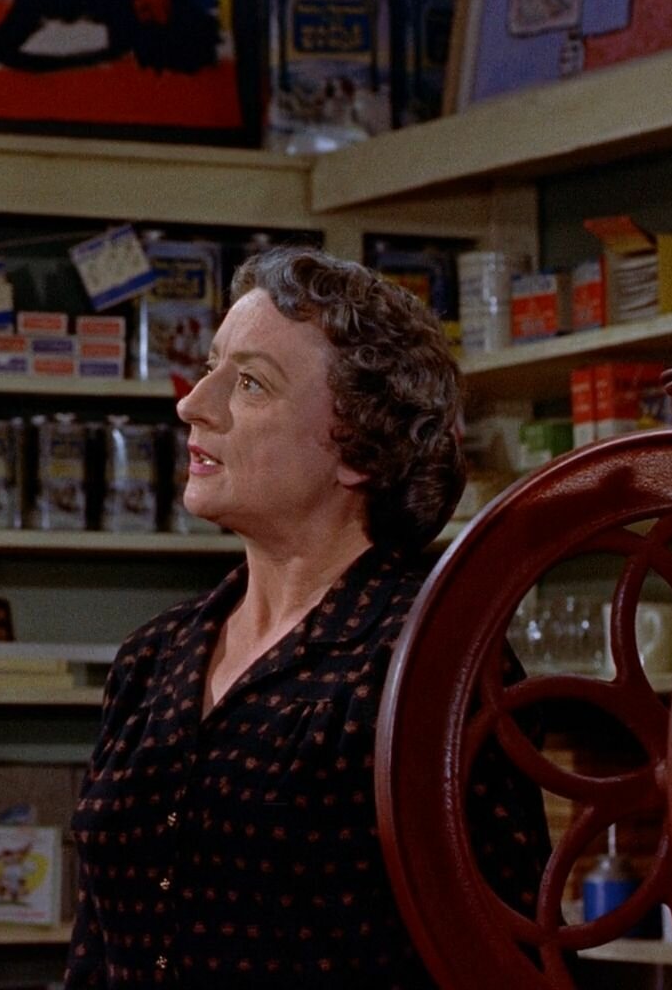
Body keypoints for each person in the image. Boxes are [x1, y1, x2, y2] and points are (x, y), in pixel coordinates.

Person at [66, 248, 547, 987]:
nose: (194, 404)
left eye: (250, 383)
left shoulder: (427, 659)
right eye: (211, 367)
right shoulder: (153, 658)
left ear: (359, 449)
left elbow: (503, 960)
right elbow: (94, 955)